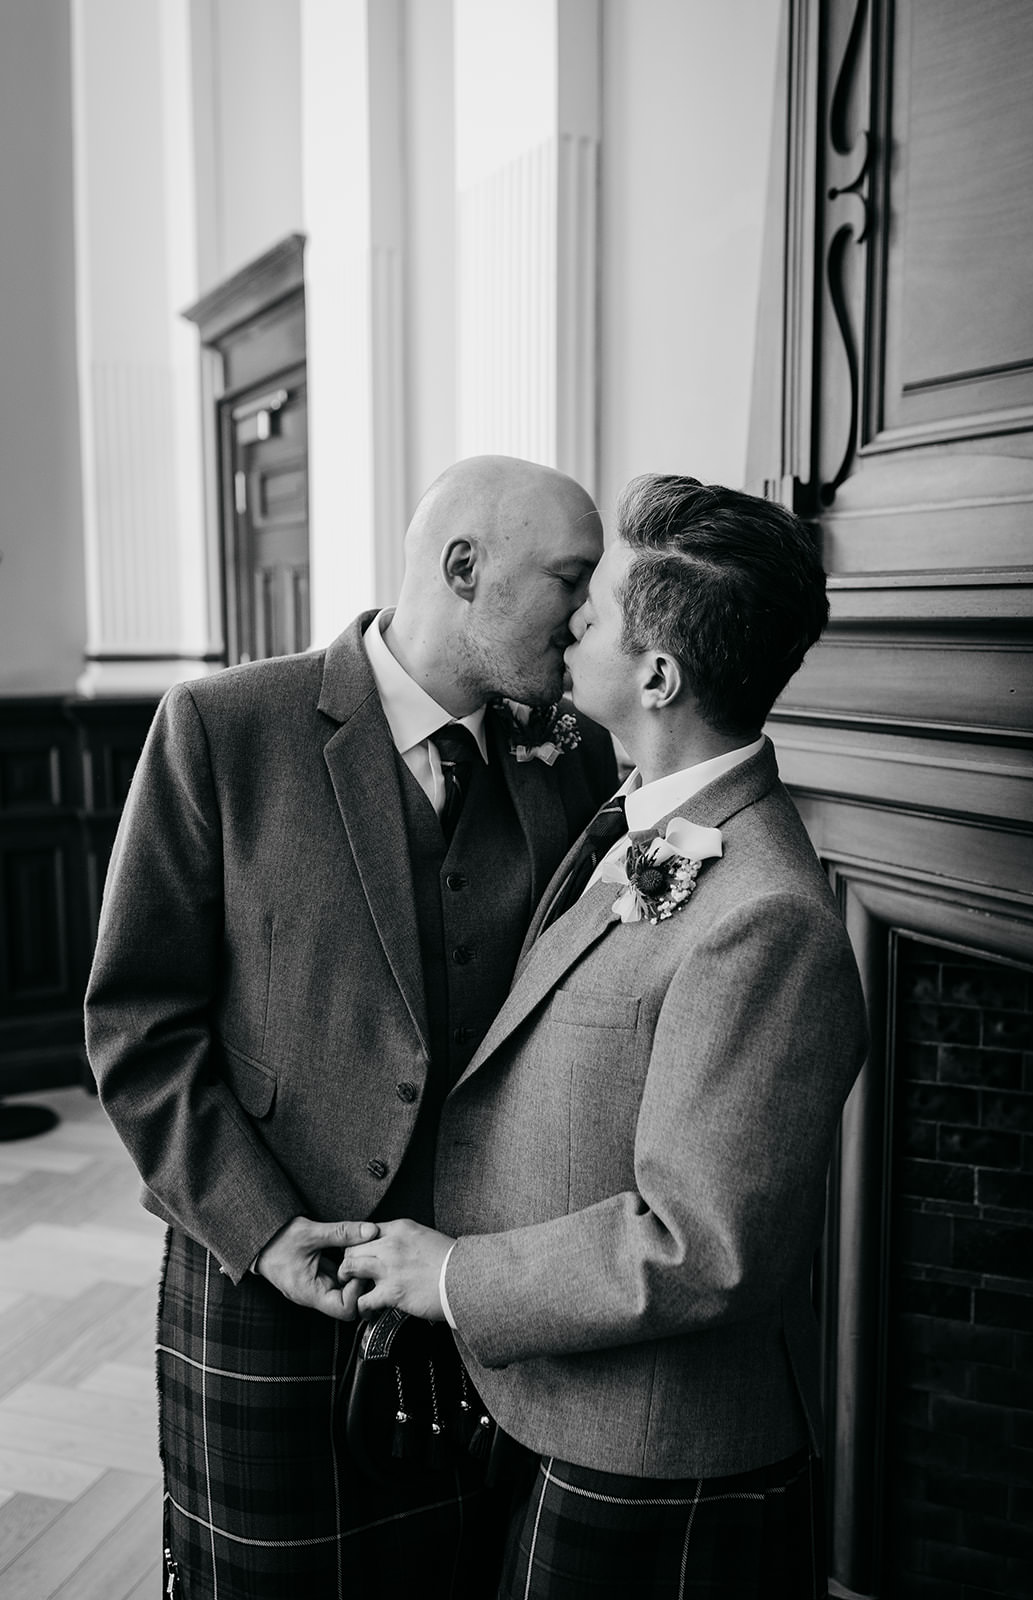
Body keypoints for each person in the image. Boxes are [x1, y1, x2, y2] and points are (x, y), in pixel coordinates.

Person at [83, 455, 617, 1600]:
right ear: (463, 567)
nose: (588, 614)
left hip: (482, 1295)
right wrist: (269, 1233)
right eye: (568, 579)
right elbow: (136, 1026)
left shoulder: (576, 758)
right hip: (264, 1281)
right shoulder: (224, 728)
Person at [339, 475, 870, 1598]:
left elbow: (703, 1244)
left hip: (658, 1452)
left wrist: (458, 1276)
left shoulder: (766, 918)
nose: (570, 619)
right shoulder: (642, 818)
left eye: (596, 602)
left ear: (657, 673)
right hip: (568, 1411)